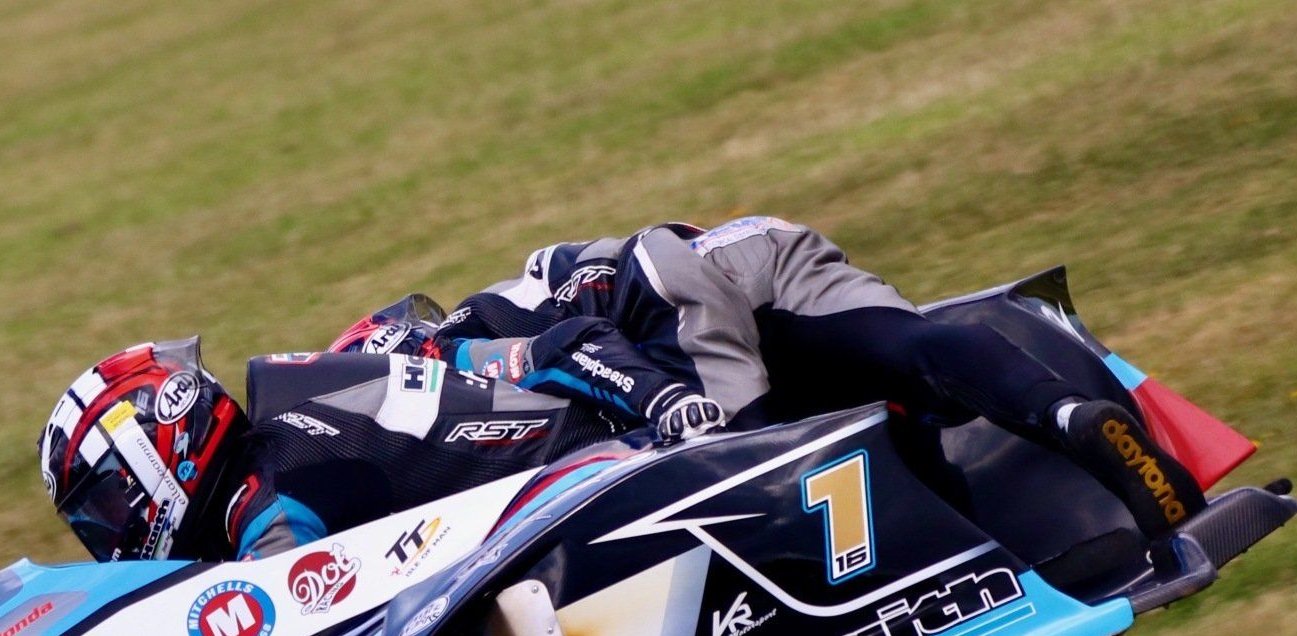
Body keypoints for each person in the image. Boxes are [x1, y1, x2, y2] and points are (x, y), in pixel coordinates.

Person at [428, 216, 1205, 538]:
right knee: (910, 370)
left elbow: (572, 341)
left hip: (658, 284)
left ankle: (933, 595)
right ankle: (1072, 421)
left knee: (751, 466)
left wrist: (664, 402)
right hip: (762, 247)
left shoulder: (436, 354)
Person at [36, 326, 625, 562]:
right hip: (568, 470)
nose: (112, 534)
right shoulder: (283, 434)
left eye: (110, 505)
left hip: (580, 490)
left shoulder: (267, 500)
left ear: (162, 447)